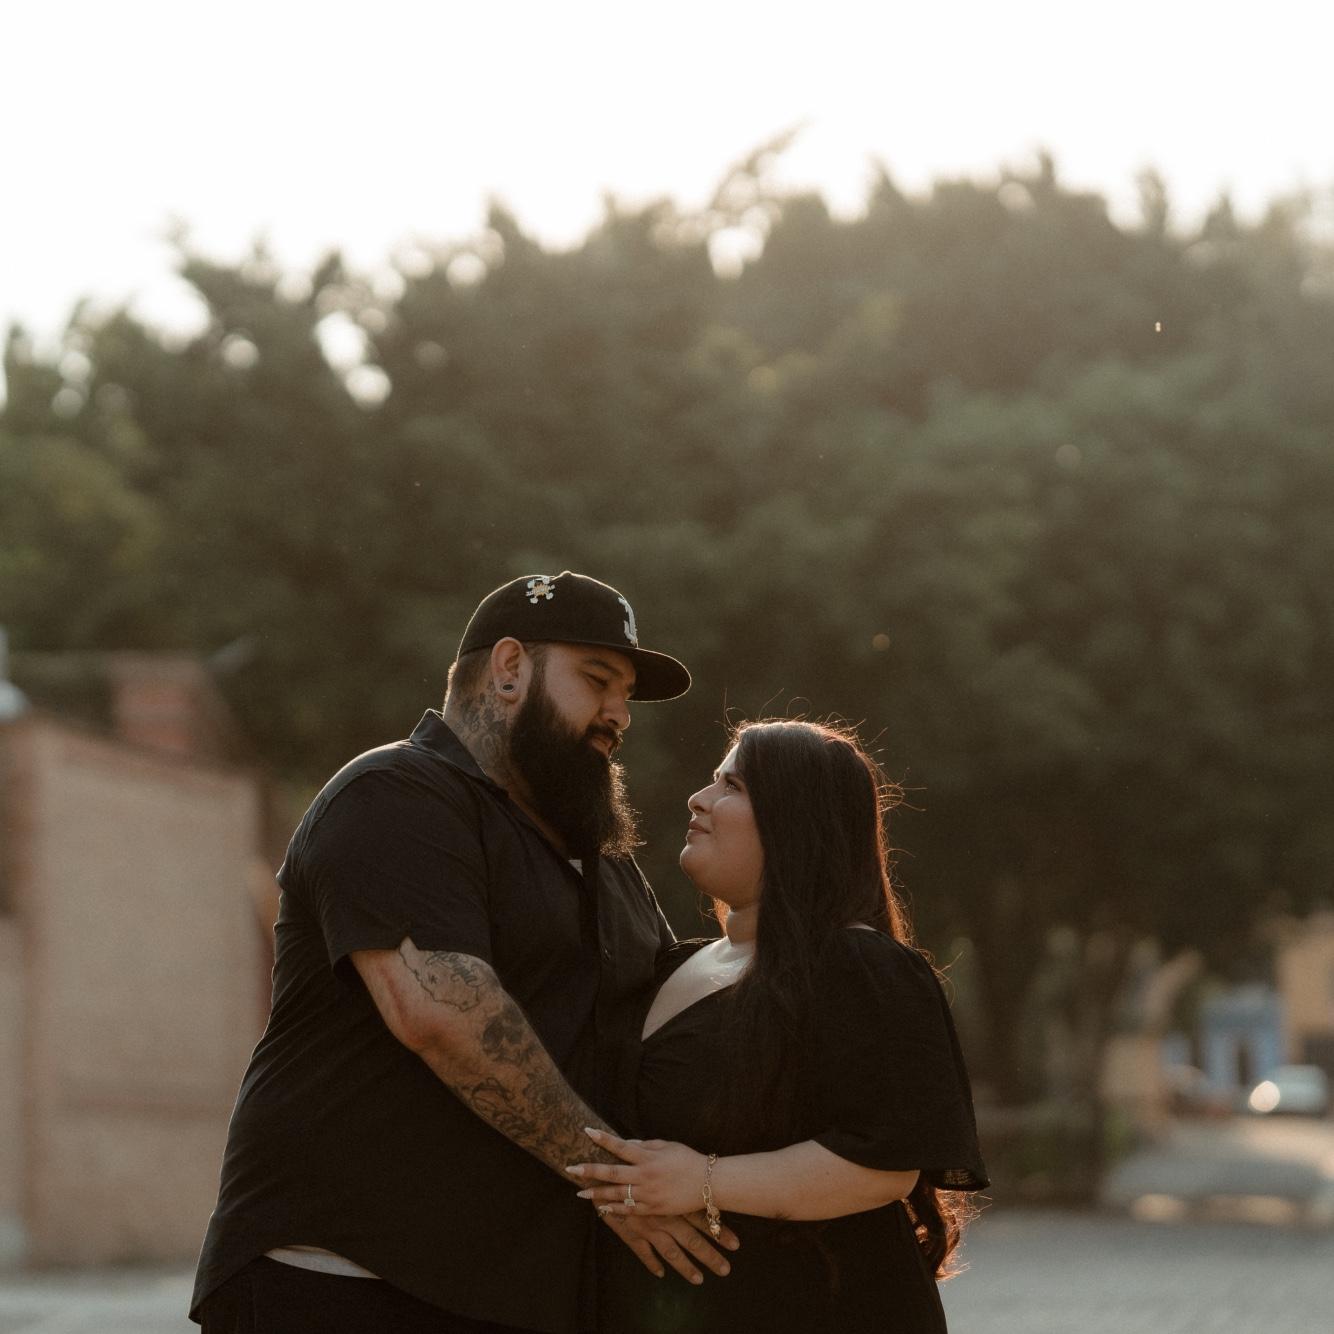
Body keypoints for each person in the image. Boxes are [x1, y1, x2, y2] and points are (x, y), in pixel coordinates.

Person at [190, 572, 736, 1334]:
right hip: (341, 1276)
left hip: (502, 1287)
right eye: (597, 680)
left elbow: (664, 1017)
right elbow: (443, 1016)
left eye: (626, 697)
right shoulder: (393, 794)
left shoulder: (598, 858)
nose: (619, 715)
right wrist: (623, 1186)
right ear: (509, 668)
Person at [570, 718, 989, 1334]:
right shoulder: (671, 965)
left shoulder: (861, 965)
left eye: (732, 786)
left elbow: (886, 1165)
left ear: (797, 822)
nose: (698, 799)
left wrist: (703, 1180)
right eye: (712, 781)